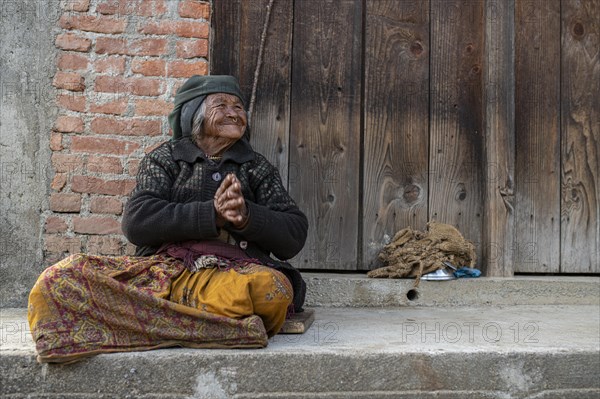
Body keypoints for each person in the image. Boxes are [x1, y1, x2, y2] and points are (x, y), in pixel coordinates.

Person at [27, 75, 308, 363]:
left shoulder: (255, 166)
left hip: (233, 277)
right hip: (164, 276)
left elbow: (294, 233)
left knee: (268, 292)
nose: (234, 113)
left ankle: (146, 321)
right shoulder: (166, 159)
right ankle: (222, 329)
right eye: (221, 105)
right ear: (193, 113)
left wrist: (246, 216)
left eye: (238, 107)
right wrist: (212, 214)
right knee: (59, 281)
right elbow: (137, 221)